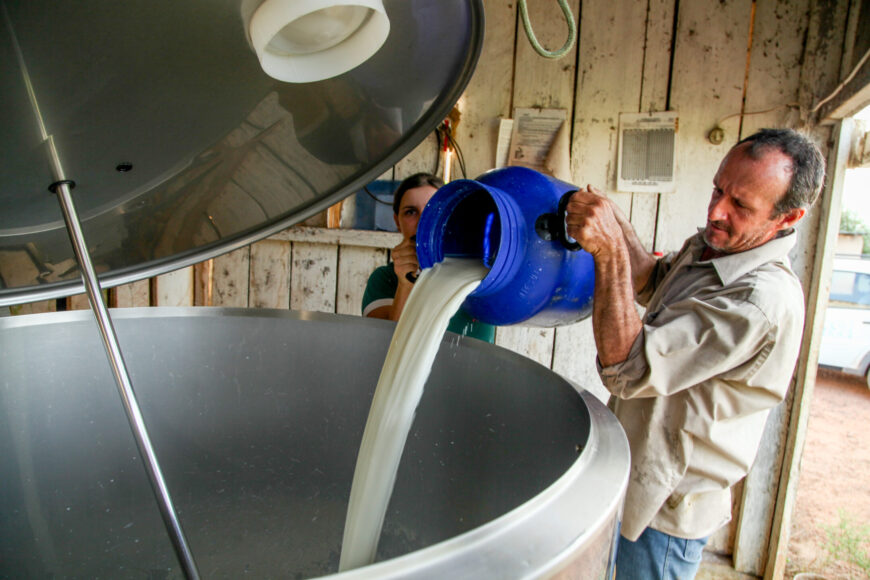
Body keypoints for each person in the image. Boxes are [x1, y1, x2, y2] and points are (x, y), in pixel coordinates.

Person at [565, 128, 826, 579]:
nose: (717, 211)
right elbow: (648, 280)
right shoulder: (714, 248)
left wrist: (607, 250)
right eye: (718, 189)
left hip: (664, 511)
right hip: (635, 478)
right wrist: (614, 221)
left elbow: (626, 367)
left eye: (741, 205)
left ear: (788, 217)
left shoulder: (758, 300)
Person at [361, 173, 496, 342]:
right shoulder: (384, 279)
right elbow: (385, 348)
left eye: (433, 211)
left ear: (450, 217)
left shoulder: (480, 276)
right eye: (411, 212)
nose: (422, 221)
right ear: (397, 220)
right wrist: (406, 284)